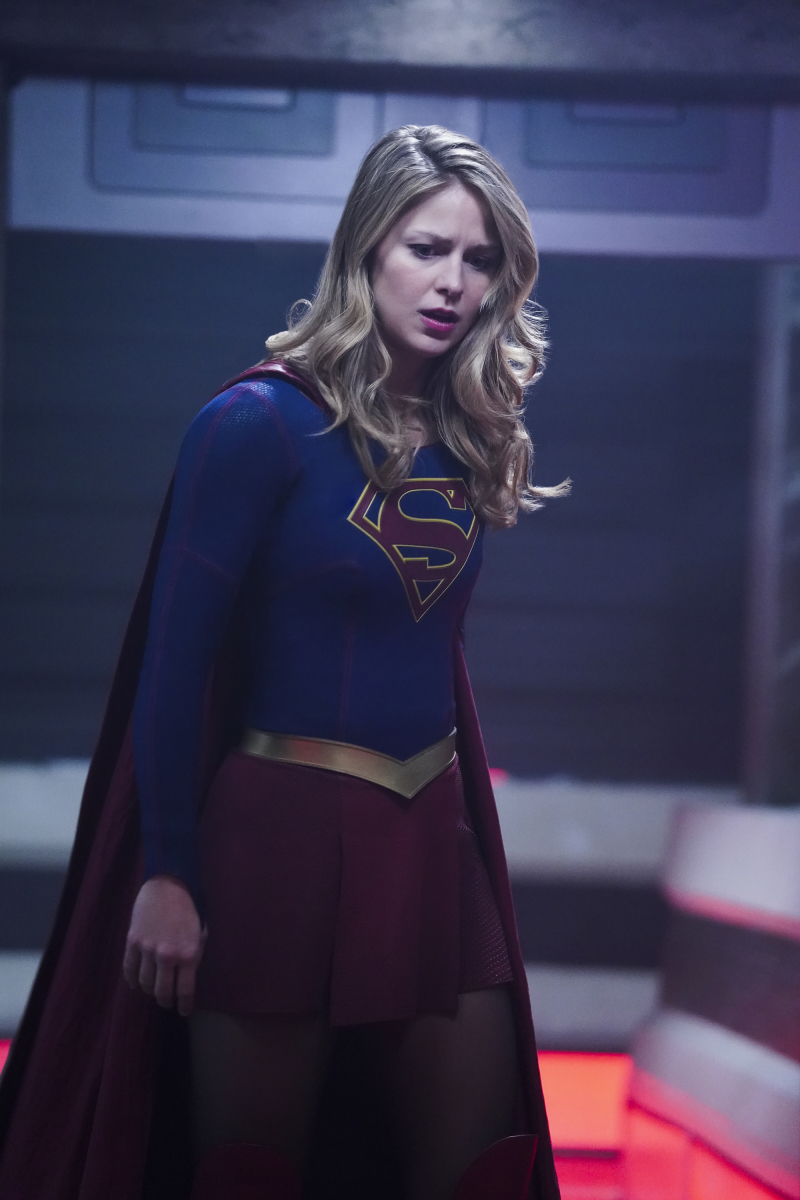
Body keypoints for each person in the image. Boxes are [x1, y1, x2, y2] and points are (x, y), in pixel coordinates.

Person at [0, 125, 564, 1200]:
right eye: (425, 248)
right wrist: (168, 873)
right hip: (276, 848)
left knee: (484, 1172)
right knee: (250, 1179)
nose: (452, 282)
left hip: (428, 843)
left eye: (479, 258)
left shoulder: (465, 436)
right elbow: (174, 664)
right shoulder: (253, 423)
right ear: (365, 248)